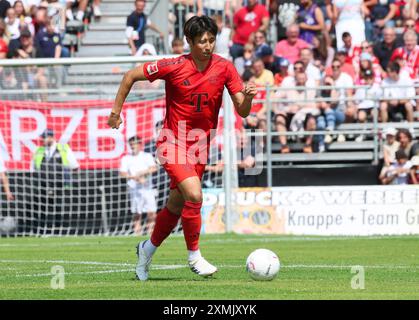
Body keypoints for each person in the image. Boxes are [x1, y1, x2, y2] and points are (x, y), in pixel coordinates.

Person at [107, 15, 257, 281]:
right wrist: (116, 112)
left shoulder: (224, 67)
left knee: (176, 206)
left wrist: (248, 98)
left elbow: (242, 111)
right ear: (189, 41)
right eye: (202, 41)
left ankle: (146, 250)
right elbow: (130, 75)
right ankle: (194, 256)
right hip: (172, 142)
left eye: (211, 40)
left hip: (200, 145)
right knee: (195, 195)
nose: (208, 46)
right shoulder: (174, 66)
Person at [31, 128, 79, 235]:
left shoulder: (63, 149)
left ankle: (59, 232)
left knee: (59, 208)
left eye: (45, 137)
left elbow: (75, 166)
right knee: (41, 208)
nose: (43, 140)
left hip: (59, 184)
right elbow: (33, 169)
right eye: (42, 138)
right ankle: (41, 231)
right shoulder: (39, 150)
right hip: (42, 184)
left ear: (51, 137)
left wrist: (66, 177)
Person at [120, 136, 158, 235]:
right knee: (137, 213)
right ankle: (138, 233)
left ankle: (150, 233)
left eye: (134, 144)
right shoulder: (126, 158)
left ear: (139, 144)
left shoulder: (146, 156)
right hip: (134, 189)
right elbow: (122, 174)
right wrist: (134, 178)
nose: (133, 146)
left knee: (152, 212)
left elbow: (154, 168)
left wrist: (142, 173)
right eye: (131, 144)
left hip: (147, 188)